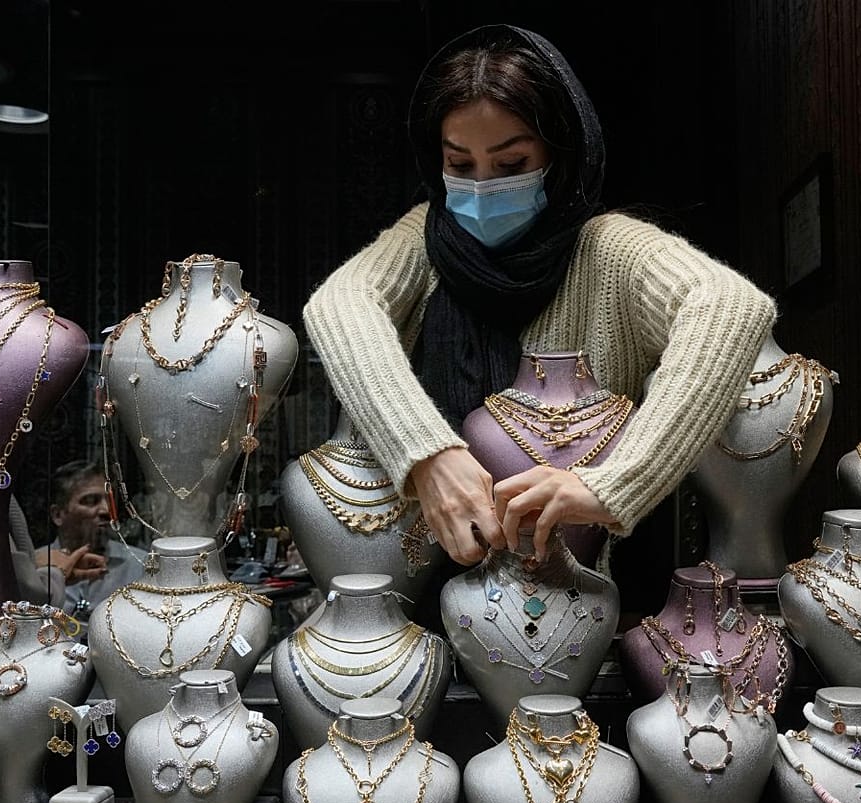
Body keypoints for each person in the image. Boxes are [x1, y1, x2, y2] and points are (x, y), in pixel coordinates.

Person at [302, 24, 777, 567]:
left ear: (560, 155)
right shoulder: (427, 237)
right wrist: (428, 454)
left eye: (511, 166)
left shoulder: (606, 247)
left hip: (586, 594)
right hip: (431, 583)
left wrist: (615, 484)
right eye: (460, 165)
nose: (481, 187)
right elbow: (339, 306)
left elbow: (730, 306)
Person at [33, 460, 147, 619]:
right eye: (90, 501)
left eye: (109, 500)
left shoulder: (141, 566)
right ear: (58, 515)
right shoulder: (34, 568)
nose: (106, 510)